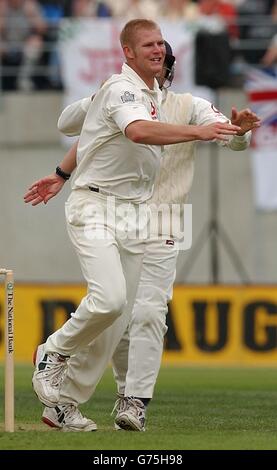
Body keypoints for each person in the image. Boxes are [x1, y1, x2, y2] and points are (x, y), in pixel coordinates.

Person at [25, 35, 260, 431]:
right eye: (156, 56)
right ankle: (63, 402)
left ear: (170, 68)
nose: (161, 65)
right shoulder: (119, 93)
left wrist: (239, 132)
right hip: (117, 209)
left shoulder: (189, 105)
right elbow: (71, 127)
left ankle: (133, 402)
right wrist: (65, 167)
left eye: (166, 59)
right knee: (114, 314)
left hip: (166, 215)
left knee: (150, 313)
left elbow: (229, 136)